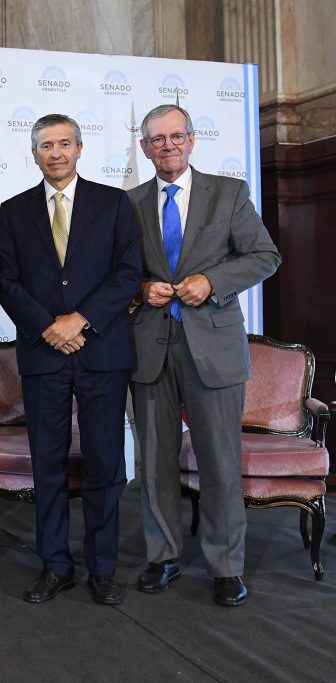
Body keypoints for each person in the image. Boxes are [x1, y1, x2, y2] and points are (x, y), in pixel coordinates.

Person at [128, 104, 280, 607]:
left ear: (192, 140)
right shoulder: (128, 203)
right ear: (145, 146)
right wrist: (140, 287)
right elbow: (114, 271)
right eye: (157, 139)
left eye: (176, 136)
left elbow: (264, 256)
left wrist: (212, 281)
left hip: (213, 346)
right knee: (154, 462)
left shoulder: (229, 193)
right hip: (149, 348)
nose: (167, 145)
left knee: (219, 461)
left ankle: (225, 565)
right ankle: (163, 556)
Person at [0, 114, 142, 605]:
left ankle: (102, 569)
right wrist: (48, 327)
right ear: (33, 154)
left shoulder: (114, 203)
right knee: (49, 465)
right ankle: (55, 565)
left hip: (101, 351)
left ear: (80, 148)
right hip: (42, 354)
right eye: (45, 145)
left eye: (63, 143)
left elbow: (126, 274)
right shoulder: (13, 211)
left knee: (104, 462)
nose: (55, 153)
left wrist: (78, 321)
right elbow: (6, 282)